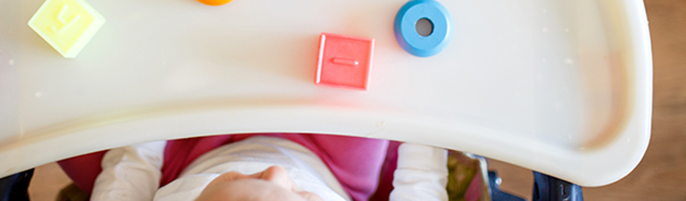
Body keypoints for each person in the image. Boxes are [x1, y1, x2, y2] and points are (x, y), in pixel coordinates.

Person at [89, 134, 449, 201]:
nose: (277, 173)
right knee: (378, 102)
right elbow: (421, 186)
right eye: (302, 197)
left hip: (193, 152)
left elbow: (131, 165)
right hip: (332, 161)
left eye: (240, 182)